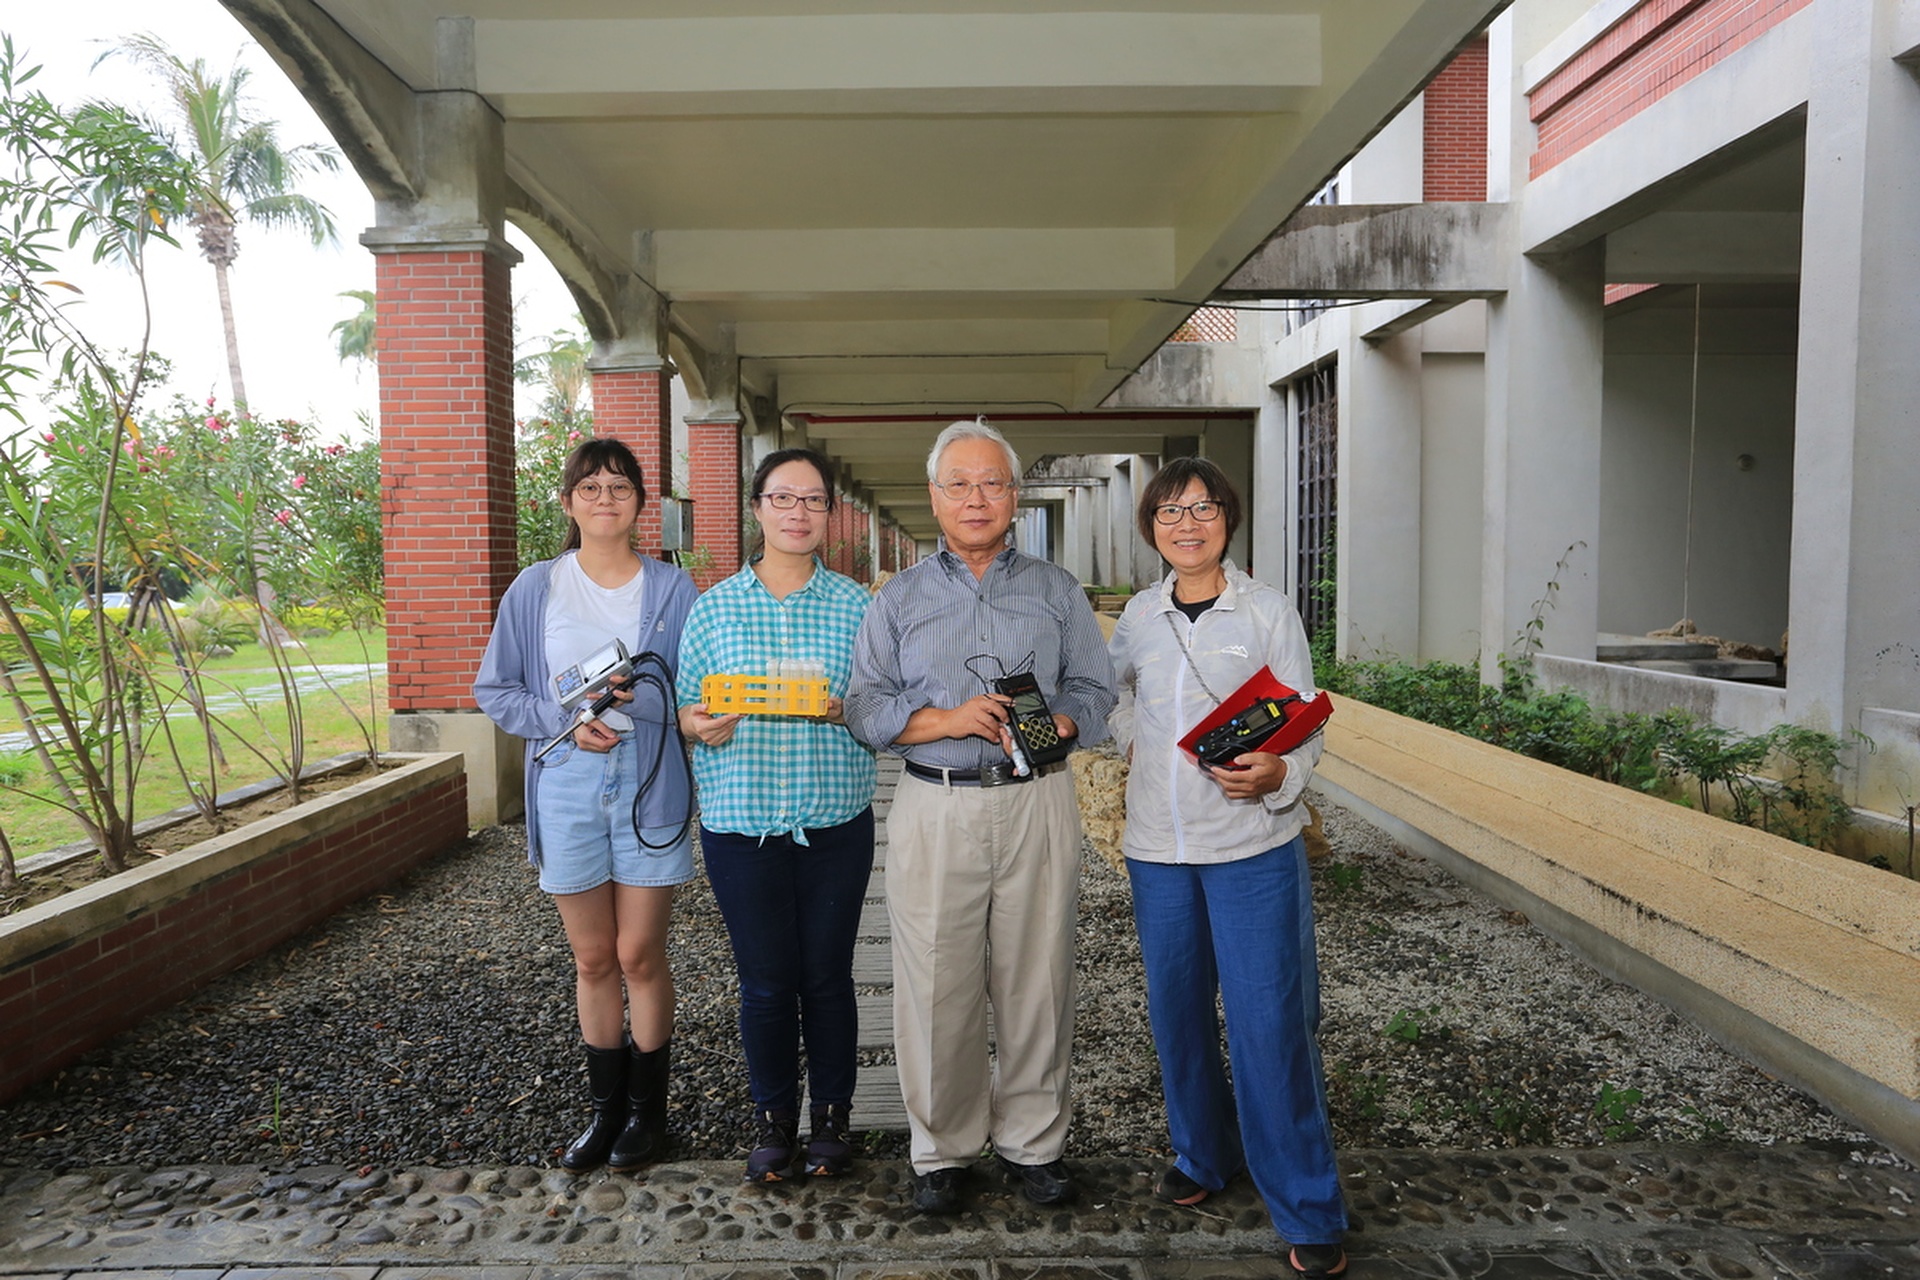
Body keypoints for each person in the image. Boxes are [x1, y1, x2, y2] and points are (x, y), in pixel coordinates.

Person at [844, 417, 1116, 1215]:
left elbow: (1097, 692)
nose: (976, 497)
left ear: (1014, 496)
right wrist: (950, 720)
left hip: (1038, 800)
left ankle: (1035, 1143)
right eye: (958, 483)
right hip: (937, 802)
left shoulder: (1056, 590)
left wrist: (1060, 722)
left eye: (991, 482)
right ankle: (943, 1150)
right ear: (935, 497)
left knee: (1038, 976)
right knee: (935, 983)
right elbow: (866, 707)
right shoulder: (899, 597)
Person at [1107, 456, 1348, 1279]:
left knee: (1272, 1025)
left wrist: (1283, 774)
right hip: (1158, 852)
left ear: (1228, 520)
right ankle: (1204, 1155)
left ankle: (1309, 1205)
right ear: (1152, 528)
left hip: (1250, 848)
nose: (1186, 524)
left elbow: (1307, 721)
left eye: (1202, 508)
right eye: (1170, 512)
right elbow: (1111, 694)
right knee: (1176, 1013)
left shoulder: (1268, 610)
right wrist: (1128, 738)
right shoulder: (1139, 616)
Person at [474, 437, 697, 1173]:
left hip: (650, 778)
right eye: (591, 486)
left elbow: (694, 691)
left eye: (621, 486)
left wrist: (653, 703)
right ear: (568, 502)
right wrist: (565, 721)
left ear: (642, 503)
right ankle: (603, 1116)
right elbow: (497, 689)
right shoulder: (536, 588)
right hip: (567, 775)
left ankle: (647, 1116)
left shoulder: (672, 589)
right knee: (595, 957)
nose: (606, 498)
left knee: (639, 953)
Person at [674, 448, 877, 1182]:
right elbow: (683, 707)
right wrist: (698, 724)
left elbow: (881, 708)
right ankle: (772, 1120)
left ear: (829, 515)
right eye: (782, 498)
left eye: (813, 500)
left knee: (826, 975)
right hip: (742, 825)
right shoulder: (714, 607)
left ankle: (832, 1119)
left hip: (834, 822)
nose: (798, 513)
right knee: (764, 981)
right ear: (757, 507)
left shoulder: (858, 607)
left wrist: (845, 709)